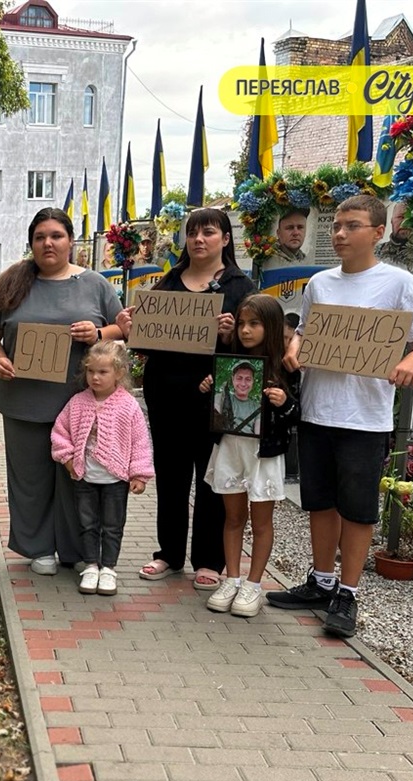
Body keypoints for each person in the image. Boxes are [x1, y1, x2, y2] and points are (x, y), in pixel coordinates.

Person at [268, 194, 413, 637]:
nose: (340, 234)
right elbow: (304, 333)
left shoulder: (399, 283)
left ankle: (348, 593)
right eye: (336, 226)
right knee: (320, 502)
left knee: (358, 510)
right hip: (319, 410)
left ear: (377, 232)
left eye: (351, 226)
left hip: (366, 417)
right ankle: (321, 581)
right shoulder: (320, 283)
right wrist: (294, 349)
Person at [114, 207, 255, 590]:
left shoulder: (241, 288)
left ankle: (209, 560)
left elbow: (256, 345)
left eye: (208, 232)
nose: (198, 240)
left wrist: (229, 338)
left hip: (217, 396)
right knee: (172, 476)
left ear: (226, 239)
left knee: (212, 478)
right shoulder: (168, 284)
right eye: (192, 233)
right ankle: (168, 553)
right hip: (167, 393)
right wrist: (130, 331)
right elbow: (145, 344)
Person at [0, 207, 124, 576]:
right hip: (24, 400)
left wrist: (99, 334)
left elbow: (125, 330)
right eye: (40, 236)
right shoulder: (12, 282)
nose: (48, 243)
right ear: (31, 243)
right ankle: (38, 547)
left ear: (70, 241)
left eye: (56, 236)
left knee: (80, 478)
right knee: (29, 478)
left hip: (81, 404)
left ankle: (79, 551)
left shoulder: (95, 284)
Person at [199, 295, 299, 618]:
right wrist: (208, 391)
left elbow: (297, 414)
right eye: (242, 323)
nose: (245, 330)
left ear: (269, 326)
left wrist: (283, 402)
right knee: (232, 517)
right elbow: (216, 412)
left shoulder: (285, 368)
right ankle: (232, 578)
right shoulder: (227, 362)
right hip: (231, 446)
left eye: (254, 324)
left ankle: (254, 584)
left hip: (264, 454)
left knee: (261, 521)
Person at [50, 342, 154, 596]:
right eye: (90, 371)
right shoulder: (77, 403)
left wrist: (139, 474)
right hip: (84, 475)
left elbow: (140, 441)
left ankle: (108, 568)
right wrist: (68, 460)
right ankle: (91, 566)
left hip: (116, 478)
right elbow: (59, 432)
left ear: (118, 373)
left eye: (103, 372)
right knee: (87, 523)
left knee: (112, 525)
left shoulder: (128, 406)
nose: (95, 377)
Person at [212, 359, 262, 435]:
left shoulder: (258, 408)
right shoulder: (220, 398)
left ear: (253, 381)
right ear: (233, 379)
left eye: (248, 379)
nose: (243, 384)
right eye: (239, 378)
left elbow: (258, 432)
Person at [375, 199, 413, 272]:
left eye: (410, 218)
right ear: (391, 220)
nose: (404, 223)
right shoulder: (374, 253)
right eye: (400, 217)